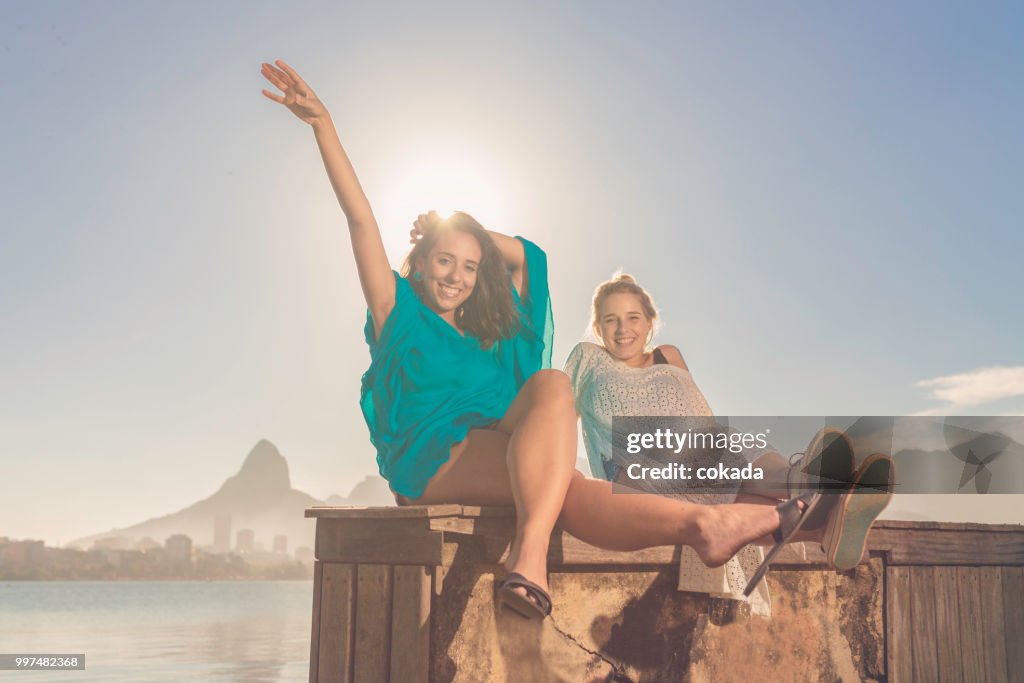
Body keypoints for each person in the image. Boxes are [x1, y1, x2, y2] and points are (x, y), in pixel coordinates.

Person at [260, 59, 870, 619]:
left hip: (500, 453)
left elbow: (528, 257)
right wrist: (323, 126)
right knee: (567, 465)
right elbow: (360, 218)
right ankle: (538, 556)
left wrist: (467, 228)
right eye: (444, 261)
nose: (457, 276)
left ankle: (714, 525)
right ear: (417, 263)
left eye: (470, 268)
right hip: (429, 462)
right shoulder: (398, 316)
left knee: (559, 438)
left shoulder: (495, 340)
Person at [565, 273, 894, 599]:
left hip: (691, 456)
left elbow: (697, 412)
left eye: (633, 317)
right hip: (632, 471)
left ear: (650, 322)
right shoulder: (589, 359)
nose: (623, 329)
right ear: (598, 328)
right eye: (611, 320)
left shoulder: (668, 355)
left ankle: (820, 516)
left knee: (722, 445)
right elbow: (561, 414)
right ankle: (808, 493)